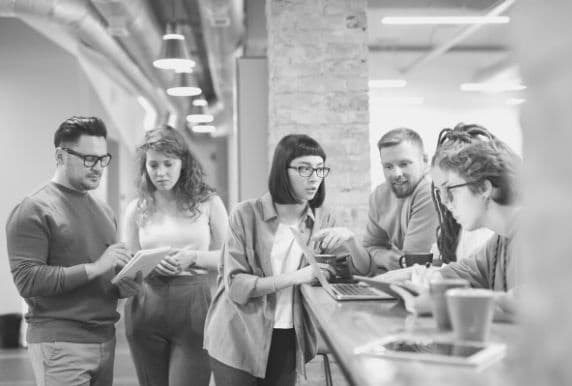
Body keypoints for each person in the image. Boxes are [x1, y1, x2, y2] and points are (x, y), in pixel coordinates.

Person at [204, 134, 371, 386]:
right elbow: (236, 285)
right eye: (304, 168)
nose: (314, 176)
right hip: (238, 334)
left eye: (319, 169)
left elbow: (363, 271)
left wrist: (350, 240)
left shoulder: (322, 219)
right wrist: (299, 277)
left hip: (289, 336)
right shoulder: (246, 214)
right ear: (283, 170)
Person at [6, 116, 139, 386]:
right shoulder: (33, 209)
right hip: (60, 342)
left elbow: (100, 280)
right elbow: (27, 280)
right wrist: (96, 267)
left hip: (104, 337)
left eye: (103, 159)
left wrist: (123, 284)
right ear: (60, 155)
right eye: (89, 159)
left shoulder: (104, 211)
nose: (98, 168)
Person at [122, 125, 228, 386]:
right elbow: (127, 265)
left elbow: (230, 258)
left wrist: (193, 258)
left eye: (168, 164)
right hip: (145, 307)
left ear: (183, 163)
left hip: (195, 308)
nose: (161, 173)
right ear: (145, 167)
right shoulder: (136, 208)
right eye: (153, 165)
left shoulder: (208, 203)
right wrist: (151, 265)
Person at [429, 123, 522, 320]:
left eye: (450, 190)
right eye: (440, 193)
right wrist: (406, 279)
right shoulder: (499, 242)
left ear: (483, 188)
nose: (445, 203)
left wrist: (439, 303)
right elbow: (455, 274)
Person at [363, 128, 438, 272]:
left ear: (424, 161)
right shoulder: (380, 195)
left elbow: (413, 262)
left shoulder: (431, 190)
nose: (396, 173)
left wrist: (385, 257)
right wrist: (384, 257)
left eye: (404, 164)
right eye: (388, 166)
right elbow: (368, 248)